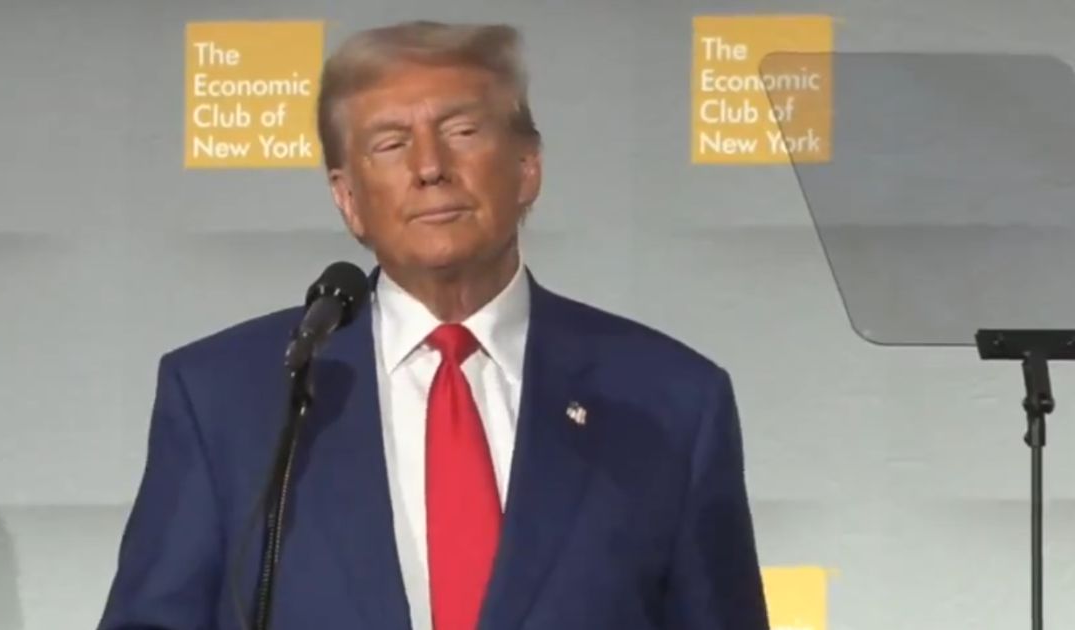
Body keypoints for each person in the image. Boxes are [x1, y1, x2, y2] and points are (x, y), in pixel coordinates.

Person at [98, 20, 769, 630]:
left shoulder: (671, 400)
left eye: (462, 131)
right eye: (390, 143)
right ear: (349, 199)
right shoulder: (230, 399)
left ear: (527, 167)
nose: (429, 168)